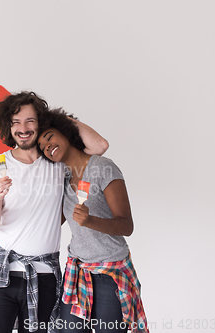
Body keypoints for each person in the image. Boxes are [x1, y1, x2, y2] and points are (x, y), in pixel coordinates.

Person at [0, 92, 108, 333]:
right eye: (16, 122)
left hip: (45, 277)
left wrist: (61, 121)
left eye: (30, 121)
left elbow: (100, 146)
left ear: (40, 123)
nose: (23, 128)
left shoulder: (58, 161)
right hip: (4, 274)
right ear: (7, 127)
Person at [35, 108, 149, 333]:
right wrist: (0, 232)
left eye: (50, 137)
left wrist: (90, 221)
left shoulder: (102, 167)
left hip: (109, 275)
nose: (47, 146)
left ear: (66, 132)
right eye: (42, 147)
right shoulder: (62, 177)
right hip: (77, 273)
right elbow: (50, 223)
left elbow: (127, 226)